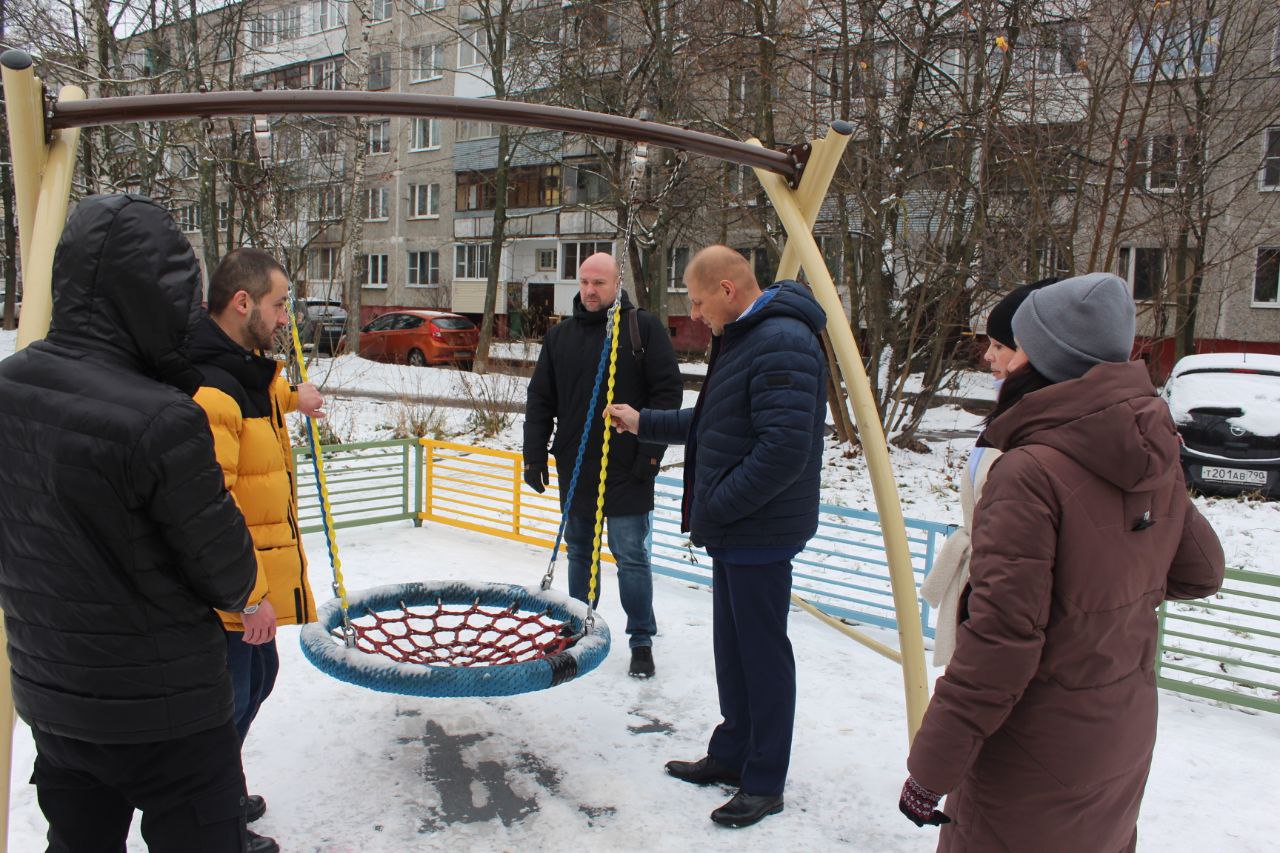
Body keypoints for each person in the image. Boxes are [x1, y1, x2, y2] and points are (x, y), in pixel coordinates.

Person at [898, 272, 1225, 851]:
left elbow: (1000, 645)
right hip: (1119, 734)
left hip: (1033, 751)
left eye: (1016, 345)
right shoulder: (1153, 443)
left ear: (1046, 357)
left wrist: (930, 771)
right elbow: (1199, 569)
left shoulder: (1028, 471)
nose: (1001, 360)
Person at [0, 194, 259, 851]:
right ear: (158, 296)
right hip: (167, 713)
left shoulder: (10, 389)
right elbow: (228, 569)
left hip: (56, 693)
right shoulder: (161, 420)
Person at [607, 245, 828, 828]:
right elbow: (716, 423)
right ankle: (732, 754)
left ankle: (764, 780)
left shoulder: (782, 340)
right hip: (737, 529)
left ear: (728, 290)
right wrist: (642, 421)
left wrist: (719, 503)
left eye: (700, 302)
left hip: (759, 528)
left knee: (762, 654)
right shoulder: (745, 337)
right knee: (733, 651)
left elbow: (783, 451)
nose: (696, 314)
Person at [189, 248, 323, 853]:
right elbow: (206, 507)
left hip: (252, 578)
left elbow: (260, 395)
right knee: (227, 703)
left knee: (259, 679)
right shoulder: (211, 387)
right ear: (242, 303)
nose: (284, 318)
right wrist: (245, 598)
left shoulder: (242, 367)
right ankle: (209, 816)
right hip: (230, 589)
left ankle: (222, 788)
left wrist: (297, 398)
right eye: (277, 305)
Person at [523, 252, 683, 678]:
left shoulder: (641, 329)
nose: (591, 291)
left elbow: (667, 396)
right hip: (577, 467)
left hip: (629, 467)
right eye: (585, 282)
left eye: (600, 283)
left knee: (631, 555)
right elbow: (541, 399)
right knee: (580, 551)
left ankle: (641, 638)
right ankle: (578, 627)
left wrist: (649, 457)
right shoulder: (561, 338)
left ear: (617, 284)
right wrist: (535, 454)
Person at [921, 277, 1057, 666]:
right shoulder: (1013, 414)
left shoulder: (1040, 431)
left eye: (1000, 346)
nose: (988, 357)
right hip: (981, 589)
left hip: (999, 610)